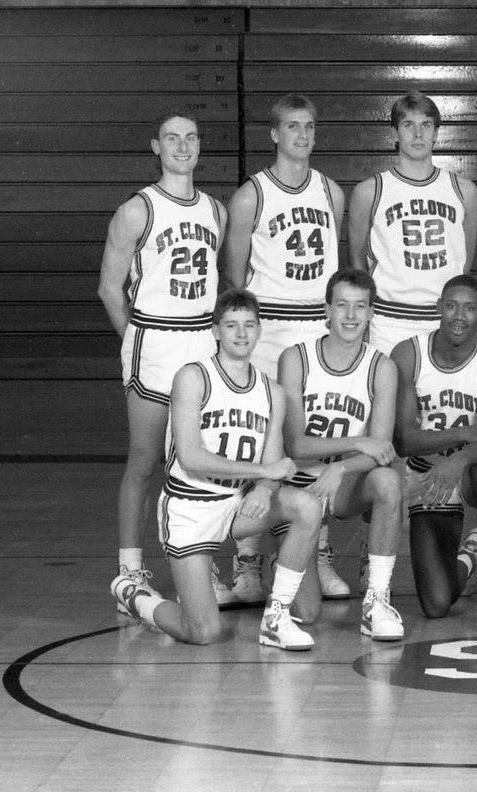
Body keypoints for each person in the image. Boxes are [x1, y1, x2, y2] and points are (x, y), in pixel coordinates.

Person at [112, 289, 324, 651]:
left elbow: (270, 468)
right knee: (203, 632)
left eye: (249, 325)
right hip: (191, 507)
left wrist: (262, 488)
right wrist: (262, 472)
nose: (241, 334)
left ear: (259, 330)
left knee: (306, 506)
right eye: (231, 326)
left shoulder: (271, 392)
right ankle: (135, 596)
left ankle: (276, 617)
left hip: (237, 506)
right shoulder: (193, 378)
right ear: (215, 331)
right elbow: (192, 457)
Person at [97, 107, 234, 612]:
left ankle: (199, 564)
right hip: (154, 340)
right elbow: (110, 288)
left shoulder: (216, 211)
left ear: (200, 145)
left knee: (194, 462)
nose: (182, 146)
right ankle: (130, 570)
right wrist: (135, 338)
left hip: (200, 340)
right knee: (145, 460)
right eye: (172, 139)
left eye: (191, 138)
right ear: (156, 146)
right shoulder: (137, 209)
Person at [221, 93, 347, 602]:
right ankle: (248, 562)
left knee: (319, 436)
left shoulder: (332, 192)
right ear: (274, 134)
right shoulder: (251, 196)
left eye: (309, 127)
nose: (302, 135)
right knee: (257, 442)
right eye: (292, 127)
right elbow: (234, 274)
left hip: (315, 330)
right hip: (270, 329)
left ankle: (318, 553)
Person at [277, 270, 405, 640]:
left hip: (343, 485)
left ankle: (376, 602)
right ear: (326, 310)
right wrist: (356, 442)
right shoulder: (296, 359)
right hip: (297, 489)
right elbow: (295, 446)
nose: (350, 316)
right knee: (308, 612)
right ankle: (283, 553)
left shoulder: (381, 367)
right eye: (342, 306)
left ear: (371, 314)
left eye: (360, 307)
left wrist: (342, 467)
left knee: (387, 480)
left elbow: (380, 451)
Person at [391, 276, 477, 635]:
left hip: (476, 462)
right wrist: (463, 434)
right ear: (438, 308)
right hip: (429, 471)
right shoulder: (408, 353)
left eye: (469, 308)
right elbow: (403, 440)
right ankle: (471, 555)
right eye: (451, 306)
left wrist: (458, 458)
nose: (458, 316)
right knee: (436, 604)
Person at [348, 90, 477, 357]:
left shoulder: (463, 190)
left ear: (436, 132)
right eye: (408, 125)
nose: (418, 134)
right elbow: (358, 263)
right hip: (390, 321)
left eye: (426, 125)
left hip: (445, 321)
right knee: (389, 397)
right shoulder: (370, 191)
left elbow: (463, 260)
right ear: (395, 133)